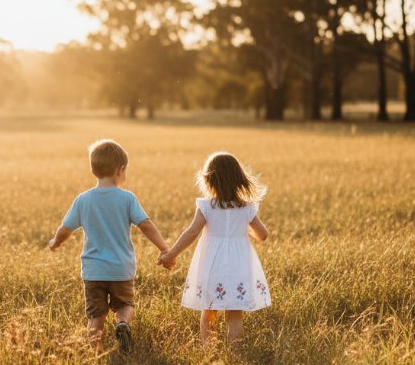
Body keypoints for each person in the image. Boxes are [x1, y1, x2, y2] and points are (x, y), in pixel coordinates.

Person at [48, 139, 169, 352]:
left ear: (93, 170)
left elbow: (65, 229)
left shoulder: (83, 200)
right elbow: (146, 225)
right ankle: (123, 323)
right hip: (121, 268)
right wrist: (164, 248)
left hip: (94, 271)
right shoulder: (127, 198)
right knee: (125, 305)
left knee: (96, 315)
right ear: (120, 170)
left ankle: (96, 353)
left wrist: (55, 242)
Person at [158, 151, 271, 347]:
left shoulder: (207, 206)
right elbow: (263, 234)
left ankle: (208, 351)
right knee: (234, 314)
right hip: (239, 264)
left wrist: (171, 254)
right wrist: (243, 229)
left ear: (210, 180)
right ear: (239, 179)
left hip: (212, 264)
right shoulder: (246, 208)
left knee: (209, 310)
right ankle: (235, 353)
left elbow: (192, 232)